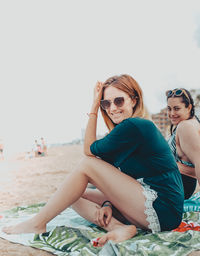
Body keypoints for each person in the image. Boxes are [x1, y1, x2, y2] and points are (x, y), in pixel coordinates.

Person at [3, 74, 184, 247]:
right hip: (147, 200)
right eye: (106, 103)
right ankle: (118, 228)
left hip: (162, 207)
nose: (112, 108)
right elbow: (112, 180)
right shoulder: (123, 133)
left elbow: (88, 151)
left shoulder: (136, 125)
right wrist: (107, 204)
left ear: (134, 100)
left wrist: (93, 107)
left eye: (119, 100)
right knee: (71, 192)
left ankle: (37, 223)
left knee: (86, 165)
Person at [167, 88, 200, 199]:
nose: (172, 113)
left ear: (189, 107)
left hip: (178, 188)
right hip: (180, 186)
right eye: (169, 109)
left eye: (176, 109)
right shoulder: (193, 123)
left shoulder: (185, 127)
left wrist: (169, 164)